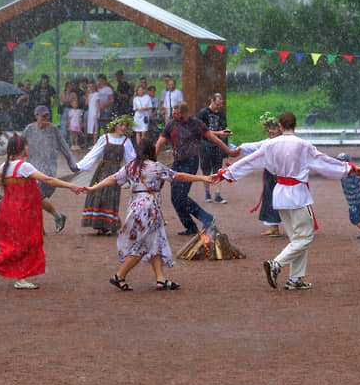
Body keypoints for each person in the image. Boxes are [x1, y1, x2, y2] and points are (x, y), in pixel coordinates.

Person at [215, 111, 360, 290]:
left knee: (297, 238)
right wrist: (348, 168)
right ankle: (276, 264)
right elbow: (323, 162)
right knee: (305, 237)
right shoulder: (303, 145)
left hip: (280, 194)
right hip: (297, 194)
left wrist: (227, 173)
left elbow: (250, 161)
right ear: (295, 125)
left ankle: (295, 279)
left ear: (280, 126)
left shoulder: (270, 145)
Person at [86, 139, 213, 291]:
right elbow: (179, 176)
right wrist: (202, 178)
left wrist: (94, 187)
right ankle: (119, 276)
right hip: (149, 209)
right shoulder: (156, 167)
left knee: (155, 242)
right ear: (151, 151)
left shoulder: (131, 167)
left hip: (135, 208)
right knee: (143, 245)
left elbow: (113, 178)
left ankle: (161, 279)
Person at [0, 134, 86, 289]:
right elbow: (48, 180)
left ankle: (21, 277)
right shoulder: (23, 166)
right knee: (22, 244)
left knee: (20, 243)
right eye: (26, 146)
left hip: (9, 210)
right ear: (21, 149)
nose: (28, 149)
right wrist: (71, 186)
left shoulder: (5, 166)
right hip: (23, 211)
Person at [156, 101, 239, 235]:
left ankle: (207, 218)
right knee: (175, 198)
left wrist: (229, 151)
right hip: (177, 163)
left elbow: (214, 139)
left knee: (181, 197)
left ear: (185, 113)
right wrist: (151, 160)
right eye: (173, 113)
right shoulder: (171, 124)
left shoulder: (196, 123)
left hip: (190, 163)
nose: (174, 116)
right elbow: (159, 142)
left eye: (177, 114)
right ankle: (190, 227)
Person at [19, 105, 79, 233]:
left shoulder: (54, 130)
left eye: (47, 115)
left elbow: (64, 147)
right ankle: (56, 217)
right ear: (36, 116)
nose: (46, 118)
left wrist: (73, 165)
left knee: (33, 198)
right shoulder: (29, 129)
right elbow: (17, 143)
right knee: (35, 198)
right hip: (32, 171)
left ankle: (39, 227)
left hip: (48, 172)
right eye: (43, 116)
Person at [78, 115, 137, 235]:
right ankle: (99, 225)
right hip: (102, 170)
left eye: (125, 125)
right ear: (115, 126)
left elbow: (132, 160)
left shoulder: (126, 141)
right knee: (98, 195)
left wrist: (136, 173)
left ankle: (110, 225)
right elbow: (93, 153)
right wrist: (80, 166)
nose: (123, 128)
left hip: (115, 171)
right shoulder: (105, 138)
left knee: (111, 197)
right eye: (121, 125)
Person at [239, 112, 282, 237]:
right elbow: (256, 146)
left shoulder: (283, 141)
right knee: (269, 198)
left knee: (283, 199)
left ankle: (293, 227)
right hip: (271, 174)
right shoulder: (268, 141)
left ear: (280, 130)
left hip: (282, 174)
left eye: (274, 129)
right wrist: (240, 148)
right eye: (270, 128)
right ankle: (274, 227)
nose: (271, 131)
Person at [198, 93, 232, 204]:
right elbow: (202, 131)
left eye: (220, 105)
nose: (218, 107)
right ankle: (207, 193)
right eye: (217, 104)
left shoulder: (221, 114)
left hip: (217, 144)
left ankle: (217, 195)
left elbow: (224, 126)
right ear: (212, 101)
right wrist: (219, 133)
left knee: (218, 169)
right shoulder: (203, 113)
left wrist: (227, 132)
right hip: (205, 144)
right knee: (206, 169)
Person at [83, 81, 100, 146]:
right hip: (90, 112)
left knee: (94, 127)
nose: (90, 88)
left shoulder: (96, 94)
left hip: (94, 112)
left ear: (94, 87)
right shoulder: (89, 95)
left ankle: (95, 143)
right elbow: (86, 103)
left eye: (91, 86)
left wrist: (96, 113)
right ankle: (93, 143)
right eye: (89, 87)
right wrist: (87, 96)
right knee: (90, 127)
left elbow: (97, 104)